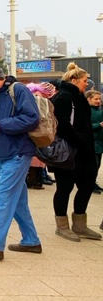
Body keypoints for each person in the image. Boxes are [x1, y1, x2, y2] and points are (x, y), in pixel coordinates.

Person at [0, 64, 42, 260]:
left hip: (17, 153)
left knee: (1, 197)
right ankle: (31, 240)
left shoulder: (18, 90)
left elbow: (31, 119)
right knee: (18, 200)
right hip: (2, 154)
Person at [51, 63, 101, 241]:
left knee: (87, 185)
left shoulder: (79, 97)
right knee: (64, 188)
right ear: (73, 80)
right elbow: (62, 125)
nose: (86, 84)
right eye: (84, 80)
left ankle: (80, 224)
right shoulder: (63, 97)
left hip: (84, 151)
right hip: (68, 151)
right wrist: (80, 141)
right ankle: (62, 226)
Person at [87, 90, 103, 193]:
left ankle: (93, 182)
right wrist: (99, 125)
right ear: (88, 99)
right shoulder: (87, 111)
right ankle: (89, 184)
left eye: (99, 99)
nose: (98, 101)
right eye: (96, 99)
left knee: (98, 165)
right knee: (93, 165)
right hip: (92, 142)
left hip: (100, 142)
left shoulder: (100, 110)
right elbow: (86, 127)